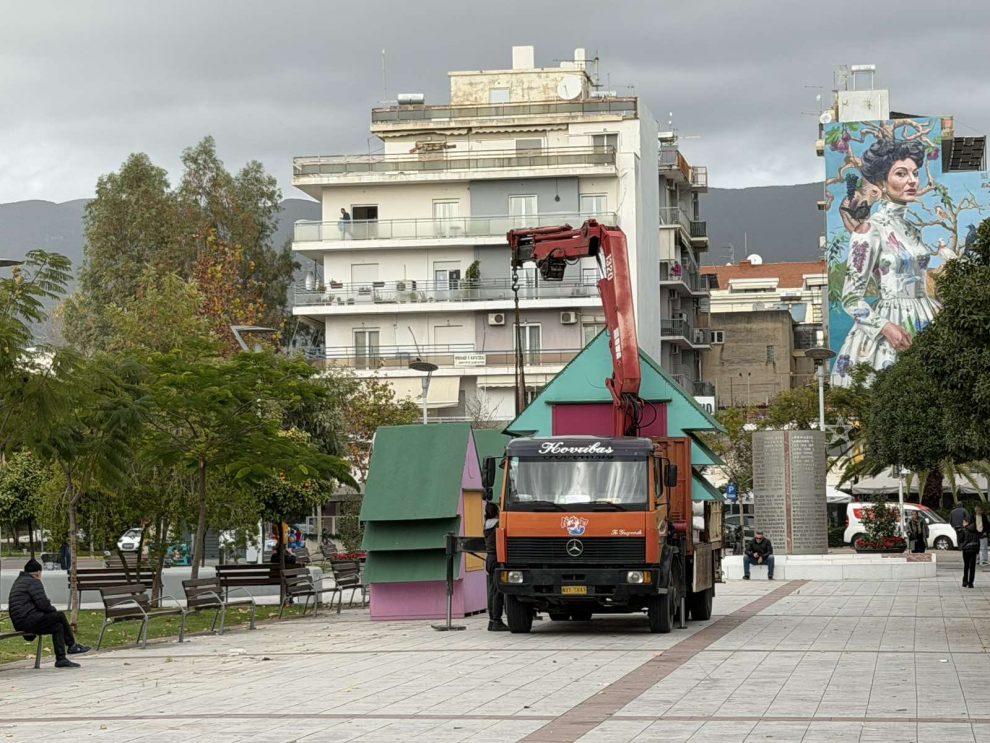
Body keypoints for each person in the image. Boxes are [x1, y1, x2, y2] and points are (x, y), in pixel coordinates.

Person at [830, 137, 960, 388]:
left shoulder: (911, 229)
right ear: (881, 182)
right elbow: (850, 298)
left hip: (928, 315)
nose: (912, 180)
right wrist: (886, 328)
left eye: (914, 173)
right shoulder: (869, 230)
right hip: (891, 323)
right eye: (901, 173)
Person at [7, 558, 90, 668]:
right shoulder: (33, 582)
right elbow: (43, 604)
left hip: (22, 621)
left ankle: (61, 659)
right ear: (38, 572)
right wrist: (53, 611)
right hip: (28, 620)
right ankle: (72, 645)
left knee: (57, 626)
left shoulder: (20, 581)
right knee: (59, 616)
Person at [484, 500, 507, 631]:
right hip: (497, 559)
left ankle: (492, 620)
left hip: (489, 559)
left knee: (492, 590)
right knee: (498, 591)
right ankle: (497, 621)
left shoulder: (486, 524)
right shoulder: (498, 524)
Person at [960, 517, 980, 588]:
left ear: (967, 522)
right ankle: (971, 583)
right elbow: (978, 541)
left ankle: (965, 581)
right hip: (974, 549)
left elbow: (961, 540)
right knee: (972, 567)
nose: (963, 523)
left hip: (966, 550)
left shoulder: (964, 530)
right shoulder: (976, 530)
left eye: (964, 522)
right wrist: (977, 550)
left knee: (966, 566)